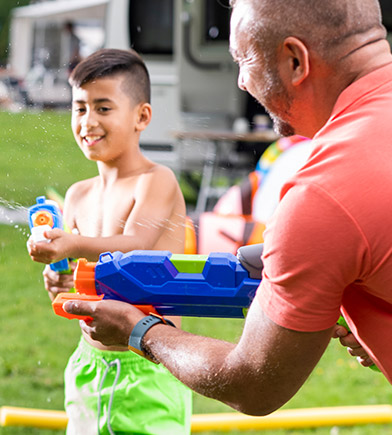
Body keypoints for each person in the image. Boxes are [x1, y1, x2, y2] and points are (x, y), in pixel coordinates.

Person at [62, 0, 392, 416]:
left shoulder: (322, 197)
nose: (240, 82)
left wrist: (140, 330)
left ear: (294, 61)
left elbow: (253, 383)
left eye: (244, 60)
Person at [26, 49, 192, 433]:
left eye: (103, 108)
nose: (88, 121)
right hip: (89, 366)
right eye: (79, 108)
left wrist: (70, 245)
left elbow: (135, 245)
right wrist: (61, 280)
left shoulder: (157, 181)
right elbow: (84, 277)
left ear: (142, 117)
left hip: (150, 365)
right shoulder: (78, 195)